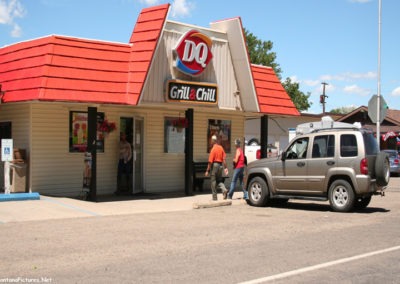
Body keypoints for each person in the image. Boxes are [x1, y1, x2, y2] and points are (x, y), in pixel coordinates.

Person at [205, 135, 229, 201]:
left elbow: (210, 162)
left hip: (215, 165)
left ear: (212, 141)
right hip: (221, 166)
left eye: (211, 140)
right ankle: (224, 190)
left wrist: (207, 170)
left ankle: (214, 198)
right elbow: (224, 160)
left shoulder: (213, 149)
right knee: (219, 181)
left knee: (213, 182)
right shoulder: (221, 148)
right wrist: (226, 168)